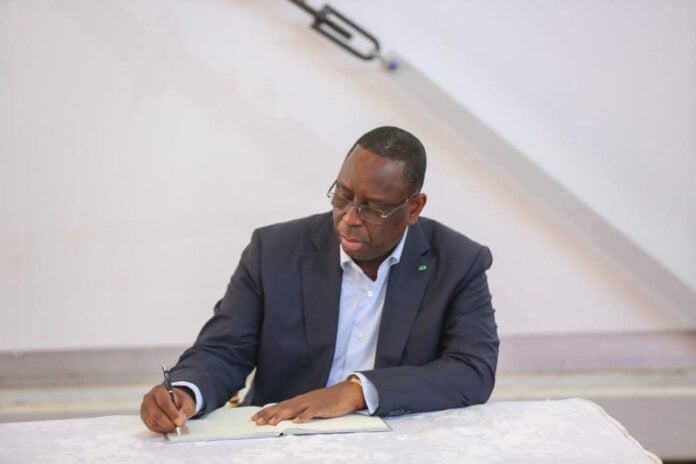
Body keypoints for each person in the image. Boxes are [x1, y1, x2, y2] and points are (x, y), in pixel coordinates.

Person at [140, 126, 499, 433]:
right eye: (343, 195)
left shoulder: (458, 262)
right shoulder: (274, 250)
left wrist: (356, 391)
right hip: (281, 438)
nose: (350, 218)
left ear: (413, 208)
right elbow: (224, 349)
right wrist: (185, 392)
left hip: (393, 441)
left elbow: (472, 370)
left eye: (372, 207)